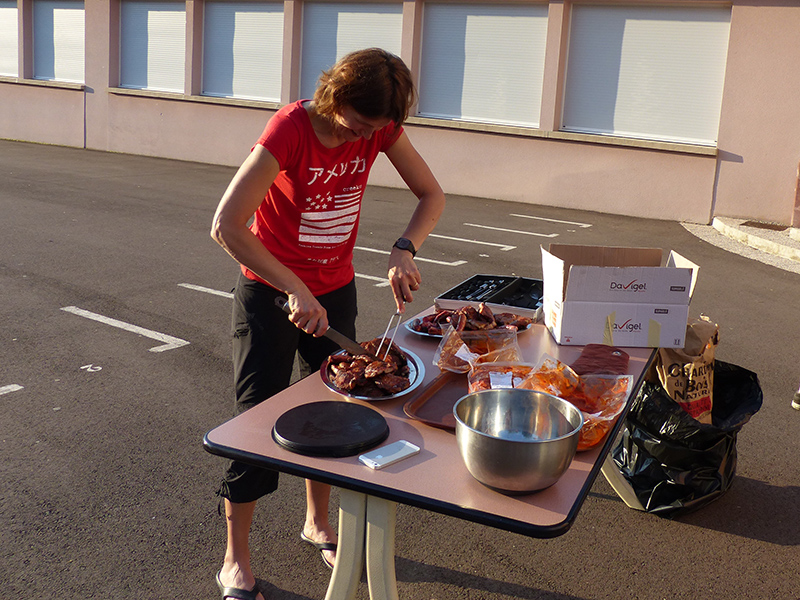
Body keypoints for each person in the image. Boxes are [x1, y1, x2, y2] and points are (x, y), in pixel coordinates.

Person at [210, 48, 445, 600]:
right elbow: (226, 225)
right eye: (357, 124)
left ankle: (318, 522)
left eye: (376, 129)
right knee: (254, 423)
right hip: (270, 292)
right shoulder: (291, 128)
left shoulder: (379, 131)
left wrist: (404, 250)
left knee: (341, 410)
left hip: (335, 290)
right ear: (334, 98)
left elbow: (431, 194)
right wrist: (293, 286)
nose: (364, 138)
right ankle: (235, 558)